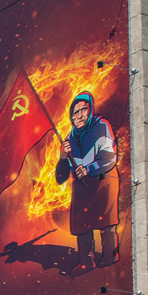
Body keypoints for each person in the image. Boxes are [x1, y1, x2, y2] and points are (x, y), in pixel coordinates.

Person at [54, 91, 119, 275]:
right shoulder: (70, 139)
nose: (80, 115)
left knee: (107, 222)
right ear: (71, 117)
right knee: (82, 225)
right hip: (81, 187)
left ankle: (110, 258)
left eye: (84, 110)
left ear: (90, 111)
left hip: (103, 181)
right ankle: (86, 263)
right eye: (75, 113)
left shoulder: (101, 127)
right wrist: (63, 157)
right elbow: (61, 178)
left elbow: (109, 157)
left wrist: (89, 168)